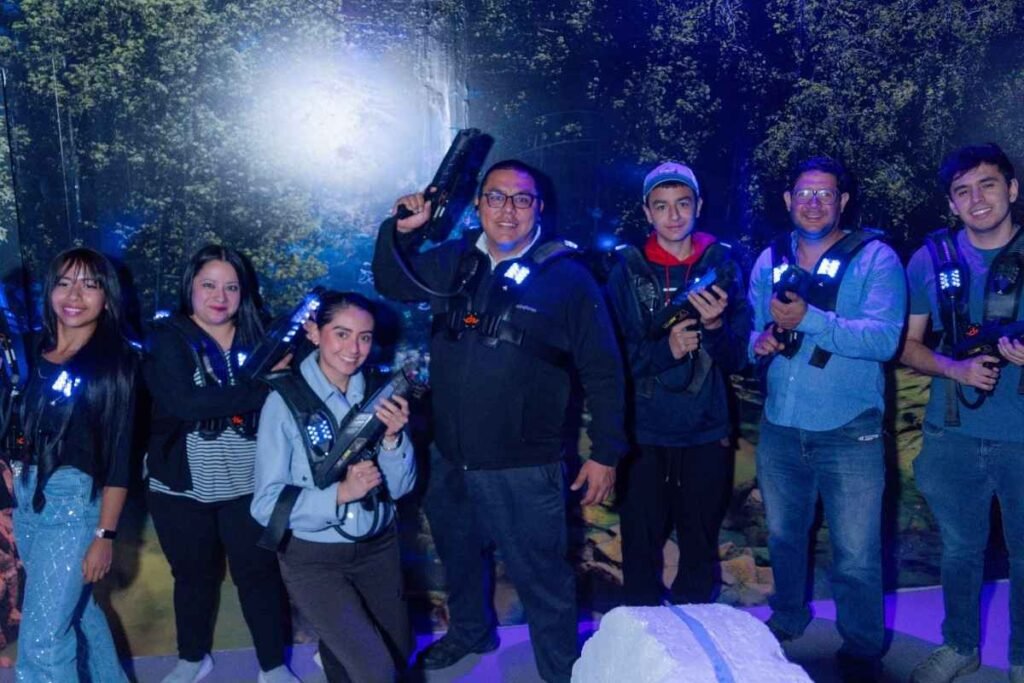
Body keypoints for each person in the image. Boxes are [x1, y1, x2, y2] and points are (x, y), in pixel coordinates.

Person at [372, 159, 627, 683]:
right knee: (459, 555)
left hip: (524, 464)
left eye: (521, 199)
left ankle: (560, 672)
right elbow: (392, 281)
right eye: (495, 196)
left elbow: (604, 372)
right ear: (478, 204)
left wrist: (605, 453)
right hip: (450, 455)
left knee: (544, 578)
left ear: (539, 208)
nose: (507, 210)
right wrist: (400, 231)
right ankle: (471, 631)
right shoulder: (455, 260)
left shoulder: (568, 278)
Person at [747, 156, 906, 681]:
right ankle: (788, 616)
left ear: (842, 201)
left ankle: (862, 647)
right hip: (780, 425)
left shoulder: (876, 258)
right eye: (803, 193)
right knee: (783, 537)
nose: (813, 203)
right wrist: (760, 342)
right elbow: (752, 331)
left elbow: (884, 339)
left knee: (857, 552)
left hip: (849, 429)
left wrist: (811, 320)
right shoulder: (769, 259)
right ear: (787, 200)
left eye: (825, 194)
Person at [143, 245, 296, 683]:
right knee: (192, 576)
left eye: (231, 287)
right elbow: (186, 403)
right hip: (180, 486)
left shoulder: (263, 336)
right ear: (189, 287)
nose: (219, 296)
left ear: (244, 292)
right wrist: (263, 388)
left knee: (258, 575)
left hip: (250, 483)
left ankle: (273, 666)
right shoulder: (166, 337)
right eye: (208, 285)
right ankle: (193, 657)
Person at [901, 144, 1024, 683]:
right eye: (963, 191)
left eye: (988, 184)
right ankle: (960, 645)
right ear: (951, 203)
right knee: (959, 551)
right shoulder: (929, 260)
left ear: (1012, 189)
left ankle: (1021, 658)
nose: (977, 199)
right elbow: (908, 346)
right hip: (952, 431)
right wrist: (955, 368)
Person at [606, 161, 751, 606]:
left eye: (683, 204)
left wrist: (715, 327)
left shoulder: (723, 268)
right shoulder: (626, 273)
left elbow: (738, 359)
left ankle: (695, 639)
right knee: (639, 552)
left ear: (698, 206)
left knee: (699, 551)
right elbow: (609, 361)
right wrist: (664, 350)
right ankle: (644, 638)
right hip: (643, 435)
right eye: (661, 206)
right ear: (646, 212)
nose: (673, 216)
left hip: (706, 433)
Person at [252, 290, 416, 683]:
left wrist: (393, 440)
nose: (353, 349)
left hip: (378, 547)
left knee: (391, 653)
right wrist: (339, 495)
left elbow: (400, 488)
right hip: (314, 559)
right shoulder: (284, 401)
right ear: (314, 332)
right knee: (376, 671)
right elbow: (265, 506)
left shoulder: (380, 393)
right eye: (341, 334)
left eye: (364, 337)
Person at [10, 247, 137, 681]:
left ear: (107, 296)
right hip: (27, 498)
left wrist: (104, 535)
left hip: (74, 506)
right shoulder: (29, 351)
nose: (74, 295)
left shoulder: (117, 365)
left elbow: (120, 459)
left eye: (89, 284)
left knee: (43, 642)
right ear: (49, 291)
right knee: (79, 615)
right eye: (64, 283)